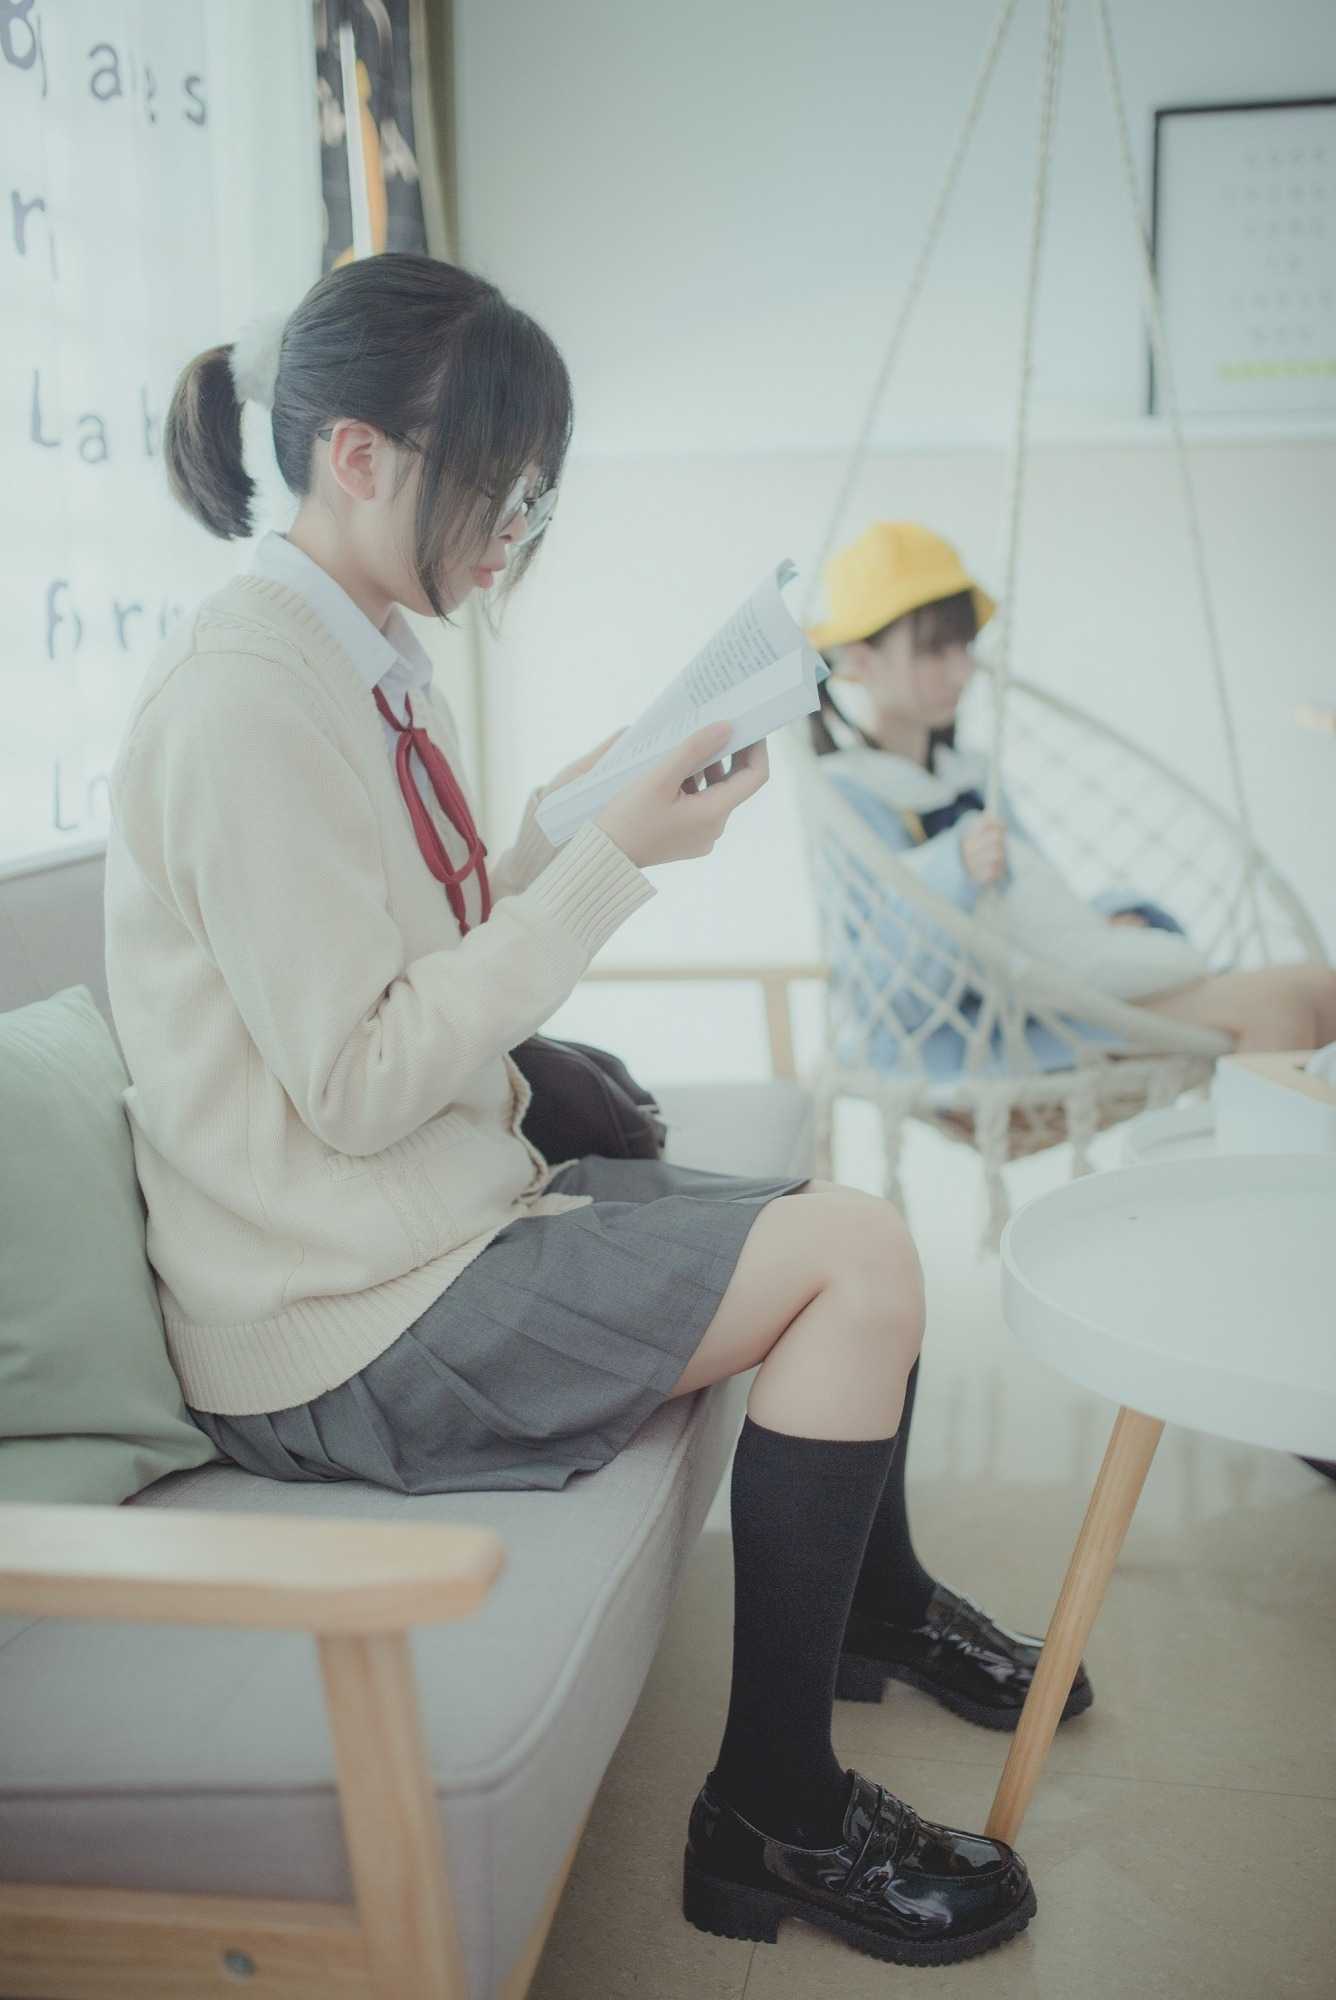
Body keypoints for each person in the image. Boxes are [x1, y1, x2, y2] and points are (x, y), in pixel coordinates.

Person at [104, 256, 1071, 1969]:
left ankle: (878, 1603)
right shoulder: (245, 699)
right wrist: (612, 861)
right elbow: (359, 1078)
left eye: (534, 495)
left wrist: (595, 807)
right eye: (497, 487)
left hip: (420, 1227)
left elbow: (431, 929)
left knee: (846, 1243)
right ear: (355, 456)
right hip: (341, 1317)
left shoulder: (360, 655)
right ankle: (772, 1813)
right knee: (856, 1262)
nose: (514, 533)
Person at [806, 521, 1336, 1075]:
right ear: (859, 660)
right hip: (961, 1039)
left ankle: (1267, 1130)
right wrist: (954, 871)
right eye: (934, 650)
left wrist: (1114, 920)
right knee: (1279, 1008)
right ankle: (1259, 1136)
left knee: (1323, 989)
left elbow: (1045, 908)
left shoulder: (970, 777)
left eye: (964, 646)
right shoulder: (847, 796)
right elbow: (885, 998)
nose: (962, 671)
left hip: (1046, 1004)